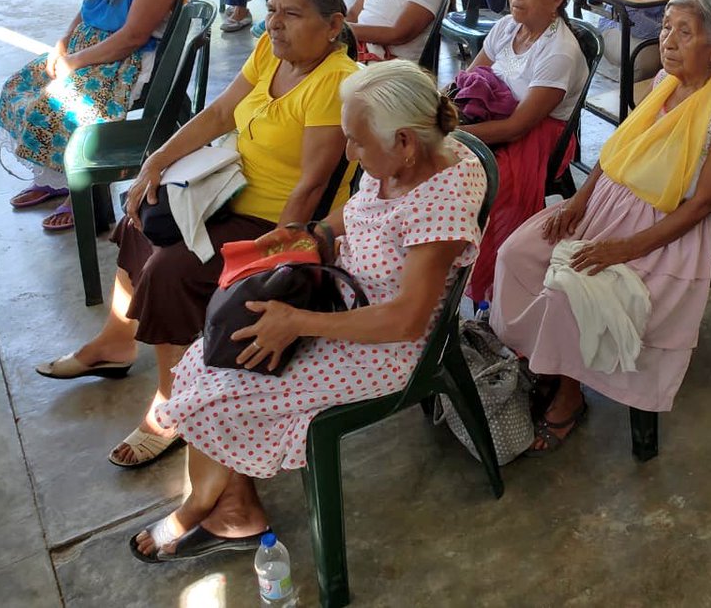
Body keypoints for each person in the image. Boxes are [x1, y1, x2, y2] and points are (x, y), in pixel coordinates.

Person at [126, 60, 486, 561]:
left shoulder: (438, 205)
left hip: (383, 348)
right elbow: (357, 211)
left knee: (221, 388)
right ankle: (234, 506)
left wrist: (297, 322)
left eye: (356, 142)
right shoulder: (402, 161)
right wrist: (311, 234)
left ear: (404, 142)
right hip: (344, 303)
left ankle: (207, 503)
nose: (348, 153)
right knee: (208, 357)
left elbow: (405, 321)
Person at [35, 0, 358, 469]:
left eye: (292, 14)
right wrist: (156, 161)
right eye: (272, 9)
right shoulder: (271, 51)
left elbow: (310, 187)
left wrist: (271, 260)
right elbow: (220, 113)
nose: (274, 23)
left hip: (275, 222)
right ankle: (116, 342)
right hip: (227, 192)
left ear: (333, 25)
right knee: (141, 216)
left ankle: (171, 407)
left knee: (172, 269)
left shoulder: (336, 82)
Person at [491, 0, 711, 449]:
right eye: (667, 28)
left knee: (570, 289)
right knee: (516, 253)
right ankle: (546, 359)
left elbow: (705, 203)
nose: (668, 42)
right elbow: (619, 152)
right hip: (610, 200)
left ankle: (570, 395)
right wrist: (578, 201)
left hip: (669, 227)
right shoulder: (664, 82)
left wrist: (624, 249)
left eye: (685, 32)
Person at [0, 0, 186, 232]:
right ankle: (56, 179)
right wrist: (64, 43)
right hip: (96, 48)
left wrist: (75, 61)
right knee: (18, 86)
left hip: (126, 61)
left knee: (55, 103)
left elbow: (132, 37)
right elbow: (91, 6)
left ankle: (81, 191)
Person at [460, 0, 587, 301]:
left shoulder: (559, 52)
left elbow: (517, 127)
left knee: (474, 183)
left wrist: (452, 134)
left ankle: (489, 286)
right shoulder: (506, 27)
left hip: (536, 136)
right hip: (495, 120)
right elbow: (468, 79)